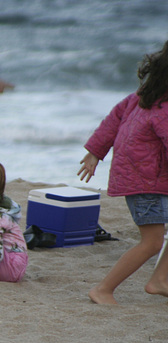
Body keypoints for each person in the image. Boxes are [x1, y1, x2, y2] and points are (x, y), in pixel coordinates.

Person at [77, 40, 168, 304]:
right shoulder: (163, 110)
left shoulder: (141, 97)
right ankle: (103, 289)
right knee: (151, 243)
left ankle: (160, 281)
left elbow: (112, 120)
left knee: (153, 240)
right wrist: (95, 151)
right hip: (146, 182)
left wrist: (95, 151)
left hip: (142, 177)